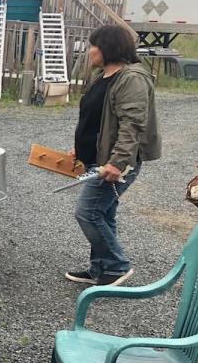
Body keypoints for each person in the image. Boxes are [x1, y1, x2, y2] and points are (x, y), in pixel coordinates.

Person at [66, 25, 161, 286]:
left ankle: (117, 265)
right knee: (103, 213)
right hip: (97, 158)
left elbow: (132, 125)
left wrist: (117, 162)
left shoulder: (132, 78)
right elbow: (97, 120)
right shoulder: (103, 76)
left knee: (87, 213)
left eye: (92, 45)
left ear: (107, 47)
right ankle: (101, 269)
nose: (89, 50)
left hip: (116, 162)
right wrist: (80, 147)